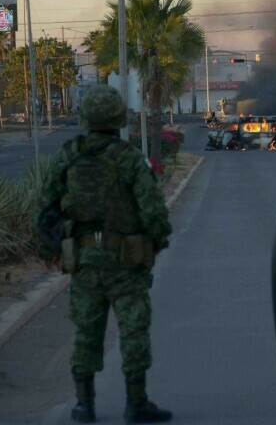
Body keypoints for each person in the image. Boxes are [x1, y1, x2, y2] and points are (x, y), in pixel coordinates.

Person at [31, 85, 173, 424]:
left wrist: (48, 250)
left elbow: (44, 206)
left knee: (86, 332)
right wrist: (156, 242)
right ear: (118, 119)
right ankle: (136, 403)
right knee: (134, 330)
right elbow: (152, 208)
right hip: (126, 262)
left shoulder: (69, 155)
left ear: (85, 119)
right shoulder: (128, 158)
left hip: (84, 262)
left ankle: (84, 406)